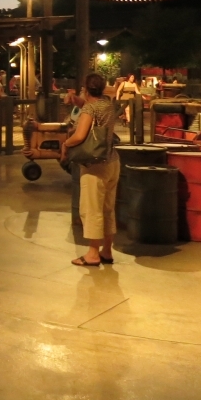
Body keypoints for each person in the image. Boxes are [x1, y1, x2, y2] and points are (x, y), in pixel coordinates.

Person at [61, 73, 120, 267]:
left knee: (92, 209)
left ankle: (93, 253)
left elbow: (79, 136)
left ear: (86, 89)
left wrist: (65, 145)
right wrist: (78, 101)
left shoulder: (89, 109)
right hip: (112, 162)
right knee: (108, 208)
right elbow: (89, 106)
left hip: (95, 166)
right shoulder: (108, 105)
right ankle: (107, 251)